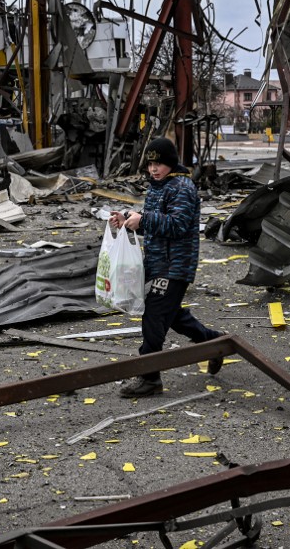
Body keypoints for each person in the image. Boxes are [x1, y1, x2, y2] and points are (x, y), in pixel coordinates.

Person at [109, 137, 225, 398]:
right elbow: (153, 223)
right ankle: (213, 342)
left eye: (158, 163)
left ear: (170, 163)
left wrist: (145, 219)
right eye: (150, 164)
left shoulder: (182, 187)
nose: (153, 169)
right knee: (171, 314)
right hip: (158, 262)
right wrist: (128, 219)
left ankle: (150, 378)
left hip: (175, 265)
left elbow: (178, 225)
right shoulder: (158, 187)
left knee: (154, 314)